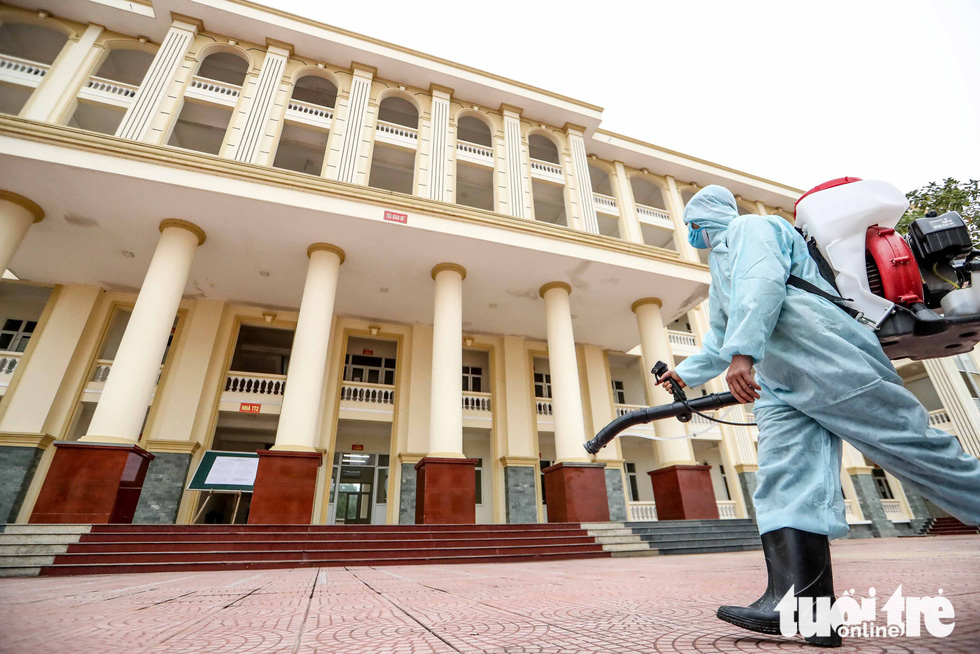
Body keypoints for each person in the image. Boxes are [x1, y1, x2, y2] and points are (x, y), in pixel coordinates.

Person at [657, 185, 980, 647]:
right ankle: (801, 608)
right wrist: (684, 375)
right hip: (781, 379)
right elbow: (719, 336)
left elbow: (763, 284)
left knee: (913, 450)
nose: (689, 232)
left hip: (826, 354)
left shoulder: (751, 227)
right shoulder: (719, 269)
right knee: (785, 478)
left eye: (691, 223)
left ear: (703, 219)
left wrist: (743, 355)